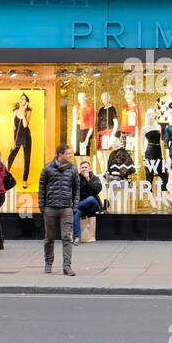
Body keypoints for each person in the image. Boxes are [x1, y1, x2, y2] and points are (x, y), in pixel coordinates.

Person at [38, 143, 80, 276]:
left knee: (67, 238)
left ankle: (67, 266)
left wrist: (74, 206)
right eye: (68, 153)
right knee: (49, 238)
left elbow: (77, 189)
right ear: (60, 154)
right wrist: (42, 207)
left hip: (66, 208)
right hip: (50, 208)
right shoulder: (47, 169)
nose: (70, 156)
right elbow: (42, 188)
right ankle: (48, 264)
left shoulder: (73, 169)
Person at [73, 160, 104, 244]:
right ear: (80, 169)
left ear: (89, 169)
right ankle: (76, 238)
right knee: (76, 214)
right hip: (81, 206)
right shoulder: (76, 178)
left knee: (91, 199)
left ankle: (75, 207)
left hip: (91, 206)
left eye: (86, 167)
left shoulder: (94, 177)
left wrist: (88, 180)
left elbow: (97, 190)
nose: (84, 169)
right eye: (82, 167)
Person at [8, 93, 34, 189]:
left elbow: (25, 125)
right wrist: (13, 141)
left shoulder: (28, 112)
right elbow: (14, 128)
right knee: (10, 157)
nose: (21, 100)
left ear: (26, 102)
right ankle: (5, 178)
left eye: (23, 99)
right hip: (17, 137)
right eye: (21, 99)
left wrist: (23, 113)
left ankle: (24, 181)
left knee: (27, 159)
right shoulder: (14, 112)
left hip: (26, 137)